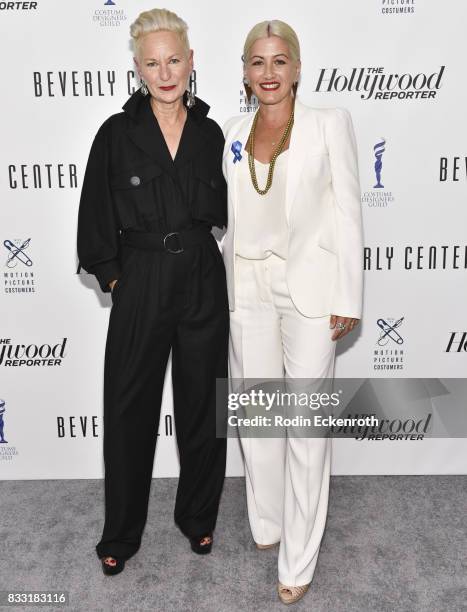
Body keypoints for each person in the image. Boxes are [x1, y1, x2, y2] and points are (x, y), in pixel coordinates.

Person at [77, 8, 229, 576]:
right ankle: (120, 532)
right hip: (140, 277)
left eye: (174, 60)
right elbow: (95, 217)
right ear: (137, 68)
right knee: (128, 411)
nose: (165, 73)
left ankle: (198, 519)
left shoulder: (213, 133)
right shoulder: (116, 133)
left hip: (200, 277)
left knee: (203, 406)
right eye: (152, 62)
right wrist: (117, 280)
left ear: (191, 62)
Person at [221, 20, 364, 604]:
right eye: (258, 62)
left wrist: (348, 296)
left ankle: (298, 555)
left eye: (280, 61)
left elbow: (350, 210)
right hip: (247, 282)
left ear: (298, 68)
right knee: (257, 412)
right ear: (245, 72)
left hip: (309, 285)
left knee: (305, 423)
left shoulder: (330, 124)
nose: (269, 73)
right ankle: (269, 521)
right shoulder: (231, 129)